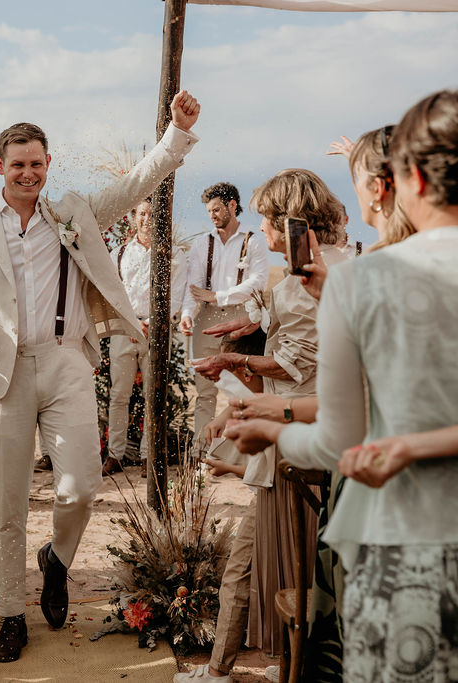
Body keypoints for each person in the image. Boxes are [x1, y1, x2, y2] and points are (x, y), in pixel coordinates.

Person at [0, 91, 200, 662]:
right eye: (18, 164)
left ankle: (56, 559)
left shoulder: (73, 213)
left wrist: (176, 135)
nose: (28, 173)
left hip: (67, 363)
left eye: (36, 163)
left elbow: (135, 184)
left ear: (47, 164)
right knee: (8, 505)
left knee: (81, 484)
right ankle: (12, 615)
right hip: (2, 372)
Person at [251, 89, 458, 683]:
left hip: (398, 538)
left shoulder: (362, 281)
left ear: (410, 179)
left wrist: (274, 430)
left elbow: (337, 439)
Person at [179, 168, 346, 682]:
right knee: (290, 562)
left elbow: (294, 362)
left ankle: (253, 668)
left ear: (291, 220)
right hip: (321, 433)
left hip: (290, 436)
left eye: (268, 220)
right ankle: (273, 663)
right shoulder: (339, 263)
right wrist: (253, 323)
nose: (264, 229)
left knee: (269, 563)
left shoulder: (300, 282)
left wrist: (234, 362)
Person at [179, 183, 269, 442]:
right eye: (209, 211)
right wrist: (187, 313)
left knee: (242, 389)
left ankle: (240, 450)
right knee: (204, 392)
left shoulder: (253, 241)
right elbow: (193, 286)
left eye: (217, 209)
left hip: (241, 320)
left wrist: (218, 295)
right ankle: (200, 451)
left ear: (232, 205)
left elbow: (258, 283)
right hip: (206, 319)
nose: (212, 215)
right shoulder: (202, 243)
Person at [103, 196, 186, 476]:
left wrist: (152, 322)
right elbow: (112, 295)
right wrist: (132, 324)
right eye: (141, 213)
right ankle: (114, 455)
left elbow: (176, 295)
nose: (146, 219)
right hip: (124, 330)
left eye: (152, 213)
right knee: (119, 395)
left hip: (157, 331)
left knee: (154, 395)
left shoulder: (173, 254)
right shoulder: (119, 253)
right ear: (133, 217)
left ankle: (148, 456)